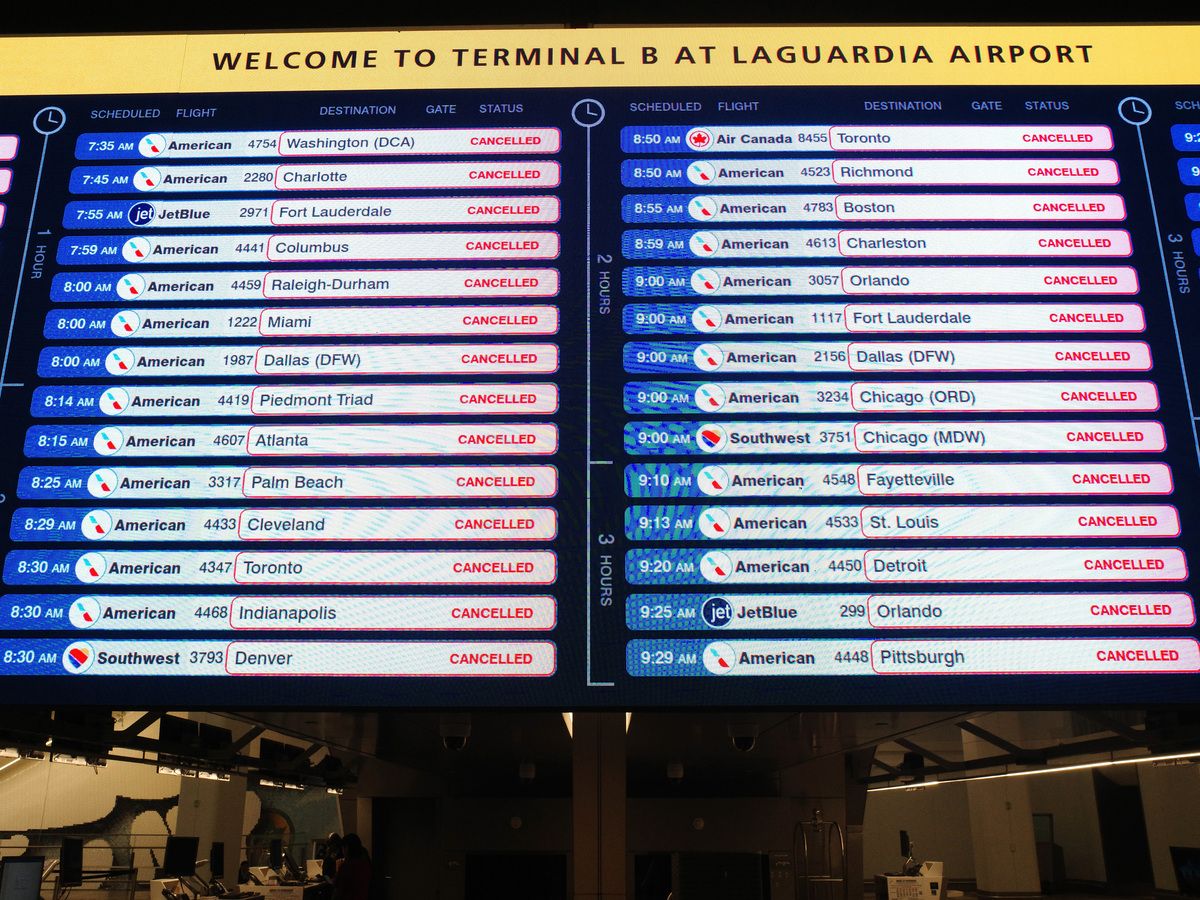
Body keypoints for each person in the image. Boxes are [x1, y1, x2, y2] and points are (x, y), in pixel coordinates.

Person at [332, 834, 370, 900]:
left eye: (343, 848)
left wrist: (338, 869)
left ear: (346, 848)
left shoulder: (346, 866)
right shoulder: (366, 864)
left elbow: (338, 888)